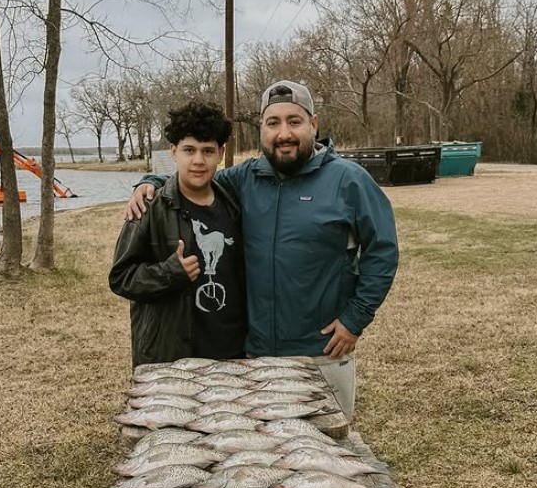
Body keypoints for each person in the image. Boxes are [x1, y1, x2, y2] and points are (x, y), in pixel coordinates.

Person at [126, 80, 399, 421]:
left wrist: (355, 320)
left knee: (329, 447)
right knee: (270, 458)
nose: (284, 133)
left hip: (322, 352)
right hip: (255, 357)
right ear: (261, 130)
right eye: (273, 123)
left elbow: (383, 251)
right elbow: (195, 175)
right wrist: (150, 182)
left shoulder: (349, 181)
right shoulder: (245, 178)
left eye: (294, 121)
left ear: (313, 124)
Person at [109, 101, 246, 366]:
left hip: (234, 355)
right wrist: (170, 273)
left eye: (207, 151)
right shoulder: (149, 207)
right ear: (174, 152)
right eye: (189, 150)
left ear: (221, 152)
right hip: (172, 356)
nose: (198, 160)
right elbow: (121, 277)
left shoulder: (235, 204)